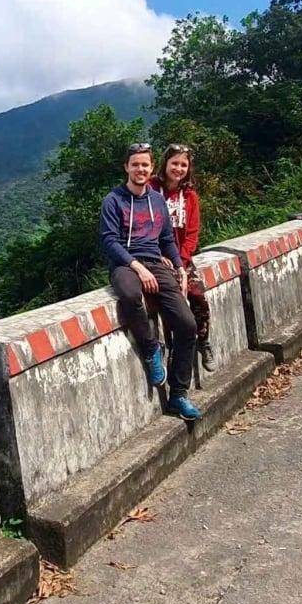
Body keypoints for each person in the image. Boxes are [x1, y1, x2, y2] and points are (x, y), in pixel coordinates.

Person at [98, 142, 202, 422]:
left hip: (157, 263)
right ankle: (151, 348)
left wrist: (179, 268)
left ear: (152, 168)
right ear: (126, 167)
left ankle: (179, 394)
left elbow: (167, 239)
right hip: (125, 264)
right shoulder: (113, 200)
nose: (140, 169)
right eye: (135, 164)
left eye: (145, 165)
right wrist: (137, 267)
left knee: (187, 325)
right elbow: (109, 240)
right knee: (131, 296)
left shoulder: (156, 200)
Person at [157, 144, 213, 371]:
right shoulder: (151, 190)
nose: (178, 169)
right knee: (172, 305)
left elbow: (192, 233)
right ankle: (171, 353)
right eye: (174, 163)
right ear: (165, 164)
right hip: (157, 259)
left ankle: (204, 340)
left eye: (183, 165)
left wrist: (181, 260)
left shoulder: (189, 196)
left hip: (182, 259)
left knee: (198, 296)